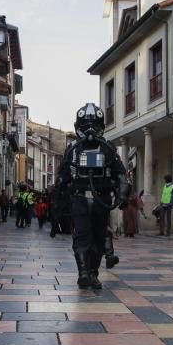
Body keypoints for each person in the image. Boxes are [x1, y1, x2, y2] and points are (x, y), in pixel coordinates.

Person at [52, 103, 128, 290]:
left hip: (102, 199)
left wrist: (123, 194)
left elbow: (121, 174)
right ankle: (83, 273)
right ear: (79, 125)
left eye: (93, 123)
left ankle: (93, 273)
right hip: (79, 199)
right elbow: (62, 176)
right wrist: (58, 201)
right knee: (82, 236)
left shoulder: (107, 148)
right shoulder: (73, 149)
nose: (90, 129)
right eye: (86, 124)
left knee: (99, 237)